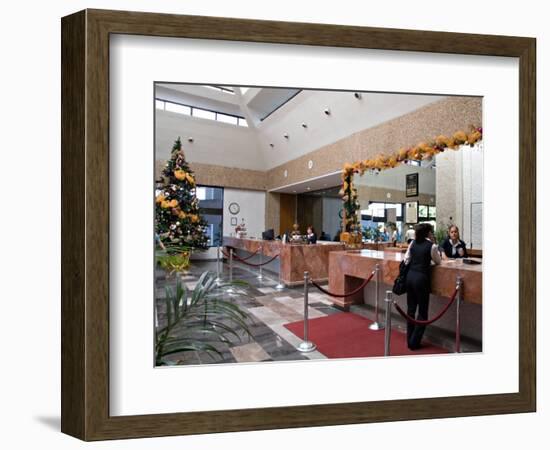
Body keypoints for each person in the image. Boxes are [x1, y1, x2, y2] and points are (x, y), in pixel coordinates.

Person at [404, 222, 441, 350]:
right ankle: (414, 342)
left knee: (411, 310)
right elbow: (438, 261)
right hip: (421, 279)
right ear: (428, 233)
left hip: (410, 277)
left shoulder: (412, 243)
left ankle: (409, 339)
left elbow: (406, 259)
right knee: (422, 312)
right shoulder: (432, 246)